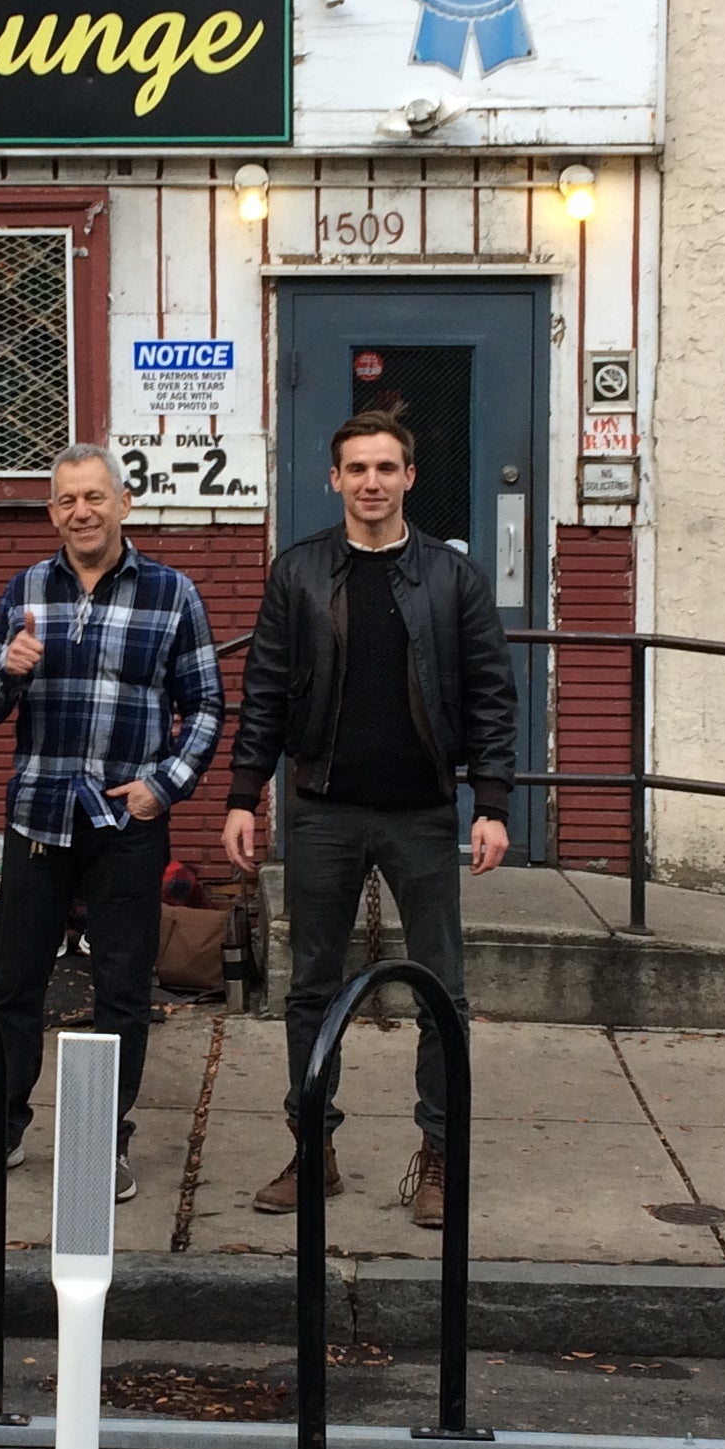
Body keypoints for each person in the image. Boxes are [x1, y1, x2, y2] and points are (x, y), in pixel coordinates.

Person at [221, 406, 516, 1228]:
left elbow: (493, 695)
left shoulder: (455, 579)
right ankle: (311, 1147)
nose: (372, 483)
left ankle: (439, 1156)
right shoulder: (300, 572)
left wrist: (489, 803)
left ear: (409, 478)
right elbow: (267, 690)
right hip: (323, 808)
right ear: (334, 479)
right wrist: (244, 795)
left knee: (440, 993)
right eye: (358, 469)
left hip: (422, 811)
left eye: (387, 468)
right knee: (311, 989)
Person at [0, 444, 225, 1203]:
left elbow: (205, 705)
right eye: (68, 499)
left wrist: (163, 786)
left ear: (124, 503)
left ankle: (100, 1141)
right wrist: (7, 669)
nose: (82, 511)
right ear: (53, 512)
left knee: (121, 991)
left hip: (125, 824)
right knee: (15, 986)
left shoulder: (172, 593)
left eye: (95, 497)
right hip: (38, 816)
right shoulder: (25, 590)